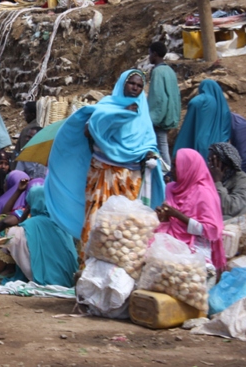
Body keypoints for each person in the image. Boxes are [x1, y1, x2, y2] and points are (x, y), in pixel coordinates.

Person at [45, 69, 165, 260]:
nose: (135, 88)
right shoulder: (107, 105)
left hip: (130, 177)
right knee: (96, 220)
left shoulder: (143, 115)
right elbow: (88, 130)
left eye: (139, 85)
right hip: (102, 172)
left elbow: (149, 142)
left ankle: (119, 269)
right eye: (131, 83)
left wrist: (151, 155)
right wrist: (119, 116)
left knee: (124, 225)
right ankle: (88, 266)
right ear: (122, 83)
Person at [0, 184, 78, 287]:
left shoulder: (31, 224)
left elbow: (11, 224)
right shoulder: (62, 223)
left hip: (44, 278)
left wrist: (27, 211)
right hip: (69, 279)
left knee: (12, 234)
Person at [156, 148, 226, 271]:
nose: (172, 170)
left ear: (188, 168)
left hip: (196, 246)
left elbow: (210, 230)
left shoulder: (203, 193)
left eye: (176, 166)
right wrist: (163, 216)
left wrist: (178, 215)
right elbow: (169, 221)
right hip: (171, 240)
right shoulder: (171, 188)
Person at [174, 79, 231, 162]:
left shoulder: (204, 99)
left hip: (201, 141)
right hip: (219, 147)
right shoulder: (223, 107)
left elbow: (194, 102)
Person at [147, 41, 180, 167]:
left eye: (150, 54)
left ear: (155, 54)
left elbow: (158, 97)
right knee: (163, 144)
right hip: (169, 114)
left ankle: (166, 171)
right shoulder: (169, 70)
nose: (149, 57)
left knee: (161, 146)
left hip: (160, 117)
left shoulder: (157, 72)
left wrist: (152, 119)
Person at [208, 142, 246, 219]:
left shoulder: (242, 179)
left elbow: (229, 209)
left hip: (238, 222)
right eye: (209, 160)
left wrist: (217, 182)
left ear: (226, 164)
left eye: (214, 162)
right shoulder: (208, 177)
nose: (209, 165)